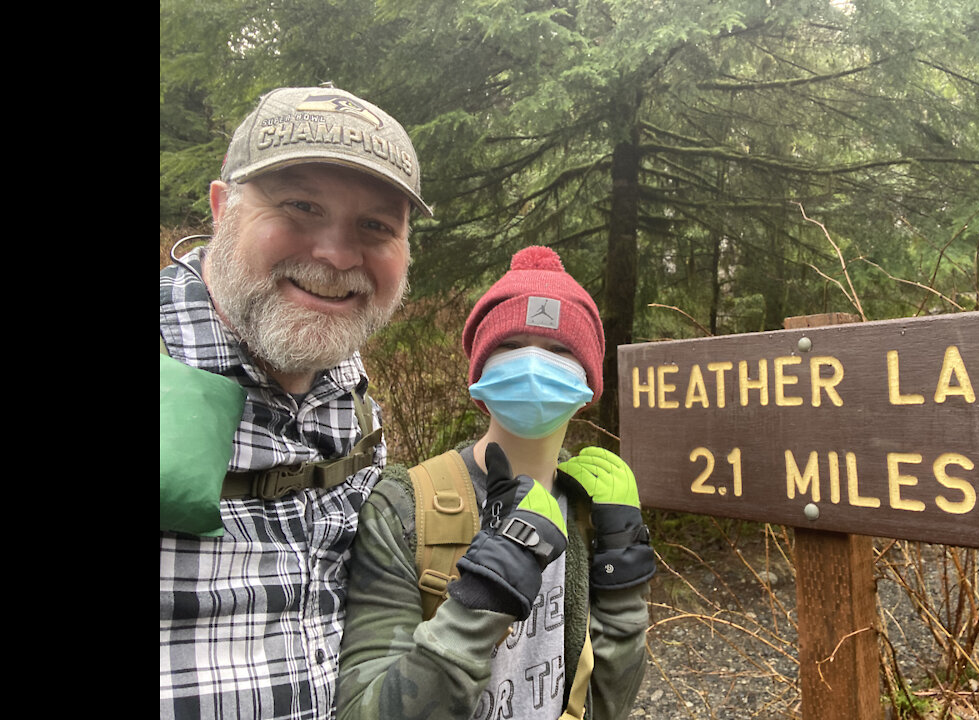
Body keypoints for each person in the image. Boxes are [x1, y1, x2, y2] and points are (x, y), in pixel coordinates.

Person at [160, 85, 431, 719]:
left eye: (375, 226)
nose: (336, 255)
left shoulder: (350, 388)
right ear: (223, 208)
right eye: (301, 205)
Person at [336, 246, 653, 720]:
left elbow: (608, 705)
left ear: (589, 381)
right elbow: (363, 711)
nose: (532, 364)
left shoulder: (590, 509)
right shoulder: (404, 506)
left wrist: (624, 590)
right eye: (510, 345)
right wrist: (480, 601)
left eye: (560, 350)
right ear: (481, 369)